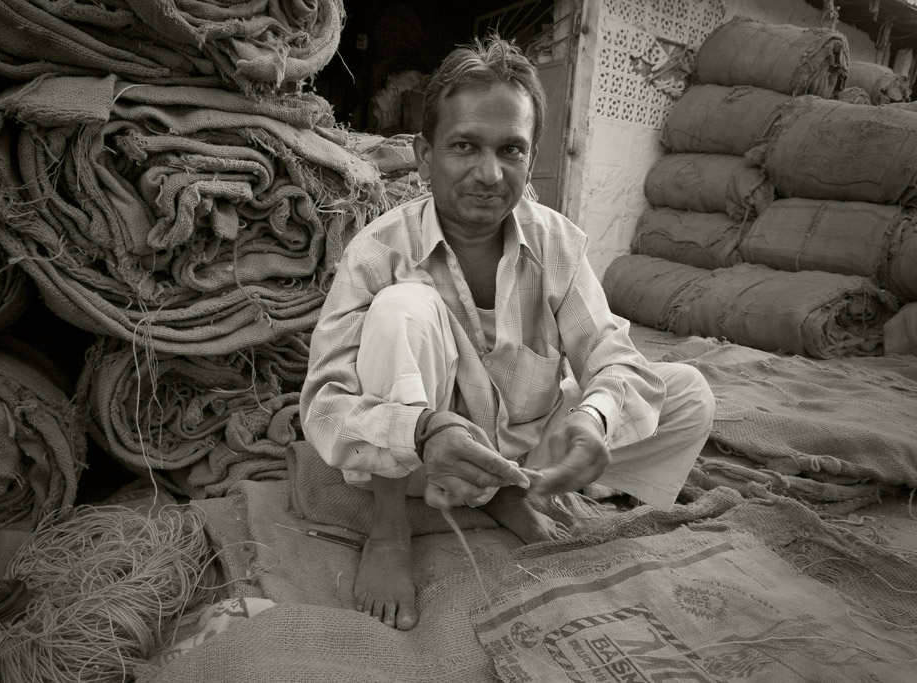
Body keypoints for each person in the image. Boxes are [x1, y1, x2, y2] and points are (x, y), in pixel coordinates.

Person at [299, 34, 715, 631]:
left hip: (525, 453)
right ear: (424, 154)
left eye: (510, 150)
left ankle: (513, 489)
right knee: (400, 310)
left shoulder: (557, 243)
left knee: (689, 392)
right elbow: (327, 404)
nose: (489, 174)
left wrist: (594, 418)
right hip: (423, 464)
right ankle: (389, 532)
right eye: (464, 146)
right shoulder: (378, 254)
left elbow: (611, 354)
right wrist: (424, 428)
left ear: (531, 155)